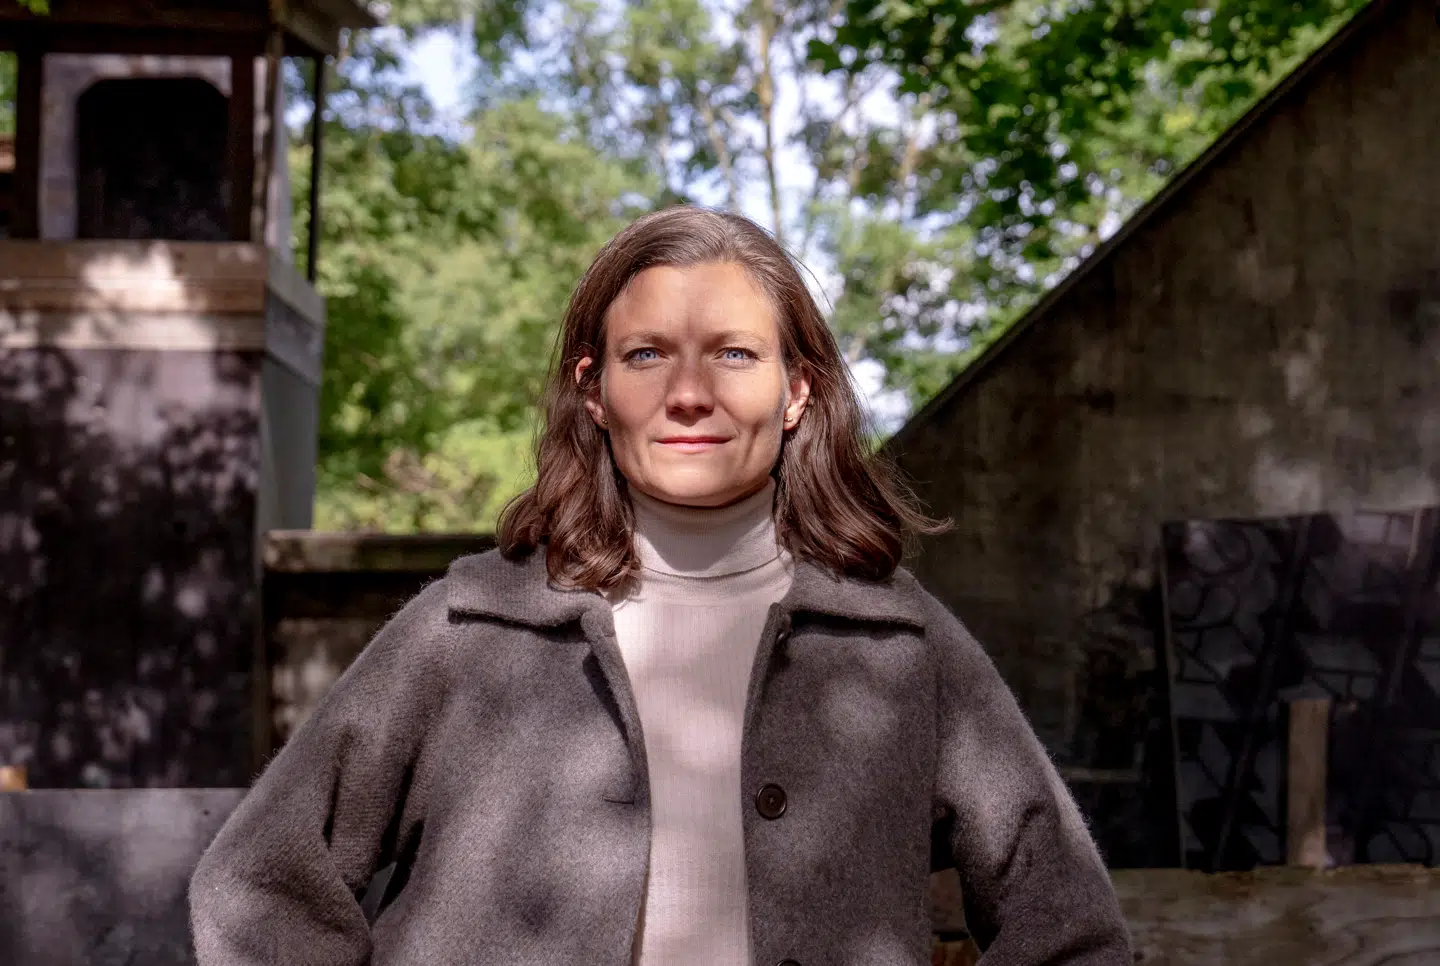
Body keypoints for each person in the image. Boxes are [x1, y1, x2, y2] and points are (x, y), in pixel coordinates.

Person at [190, 206, 1131, 966]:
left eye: (732, 352)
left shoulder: (896, 645)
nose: (690, 393)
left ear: (797, 391)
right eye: (647, 356)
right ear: (594, 392)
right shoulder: (468, 628)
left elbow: (1069, 923)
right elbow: (259, 884)